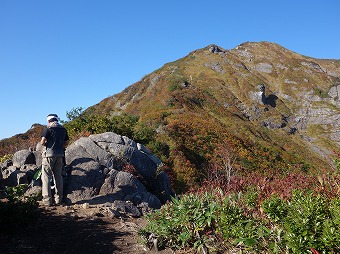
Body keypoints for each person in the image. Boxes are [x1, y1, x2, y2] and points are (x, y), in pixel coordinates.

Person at [40, 114, 69, 206]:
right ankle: (58, 199)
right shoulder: (63, 129)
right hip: (60, 155)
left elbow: (42, 142)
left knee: (46, 177)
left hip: (49, 155)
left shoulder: (48, 129)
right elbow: (66, 143)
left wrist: (48, 146)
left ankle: (47, 200)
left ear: (49, 121)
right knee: (58, 176)